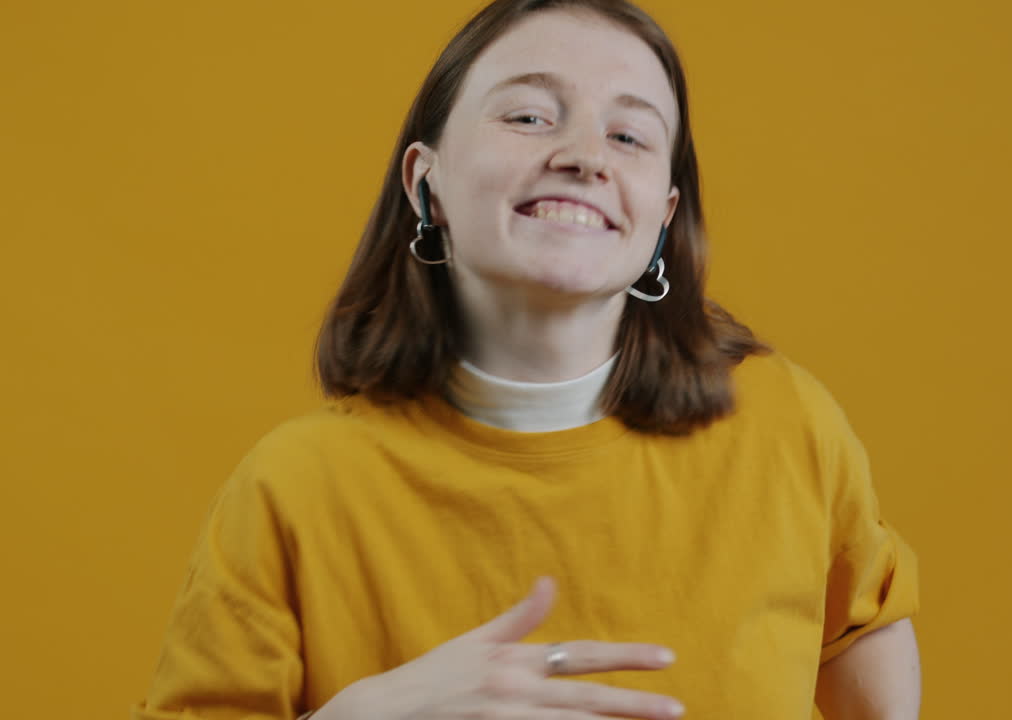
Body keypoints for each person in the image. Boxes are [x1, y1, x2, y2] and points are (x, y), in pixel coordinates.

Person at [131, 0, 922, 718]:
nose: (586, 156)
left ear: (661, 217)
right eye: (530, 116)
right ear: (426, 183)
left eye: (630, 135)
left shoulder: (787, 424)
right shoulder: (291, 491)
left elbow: (862, 631)